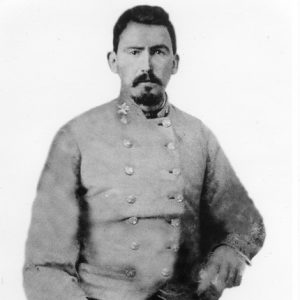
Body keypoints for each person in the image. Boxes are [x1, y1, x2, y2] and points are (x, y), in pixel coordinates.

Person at [23, 5, 265, 300]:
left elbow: (246, 220)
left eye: (159, 52)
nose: (147, 65)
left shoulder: (197, 135)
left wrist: (233, 250)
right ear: (113, 61)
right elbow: (45, 265)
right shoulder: (76, 137)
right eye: (134, 52)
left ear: (175, 63)